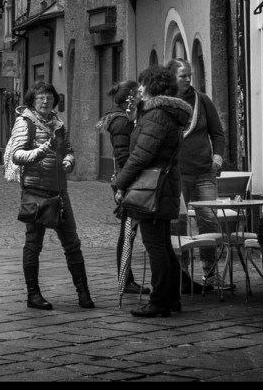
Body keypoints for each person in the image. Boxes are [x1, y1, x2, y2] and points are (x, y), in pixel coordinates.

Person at [9, 80, 95, 311]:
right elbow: (17, 155)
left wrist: (68, 160)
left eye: (49, 97)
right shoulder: (25, 122)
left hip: (59, 191)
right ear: (32, 101)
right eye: (40, 98)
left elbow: (68, 149)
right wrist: (41, 151)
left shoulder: (58, 123)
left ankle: (83, 293)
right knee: (33, 244)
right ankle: (33, 295)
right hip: (35, 191)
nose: (45, 101)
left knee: (72, 243)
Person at [114, 65, 192, 317]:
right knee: (163, 245)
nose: (139, 88)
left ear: (152, 86)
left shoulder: (156, 115)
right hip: (161, 186)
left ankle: (159, 301)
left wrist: (120, 183)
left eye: (142, 84)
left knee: (155, 246)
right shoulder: (163, 113)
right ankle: (171, 298)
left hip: (152, 188)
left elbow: (141, 156)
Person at [166, 58, 226, 292]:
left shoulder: (202, 100)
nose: (188, 79)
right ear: (172, 77)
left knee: (209, 221)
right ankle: (182, 277)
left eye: (190, 75)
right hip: (177, 173)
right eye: (183, 76)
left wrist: (217, 157)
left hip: (203, 172)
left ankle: (210, 274)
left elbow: (217, 133)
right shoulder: (167, 102)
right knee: (178, 225)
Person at [96, 79, 149, 296]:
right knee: (128, 232)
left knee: (129, 231)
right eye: (138, 93)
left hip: (128, 180)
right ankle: (125, 280)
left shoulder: (127, 118)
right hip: (128, 182)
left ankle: (126, 279)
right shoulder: (121, 122)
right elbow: (123, 156)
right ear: (130, 98)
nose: (142, 95)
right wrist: (125, 184)